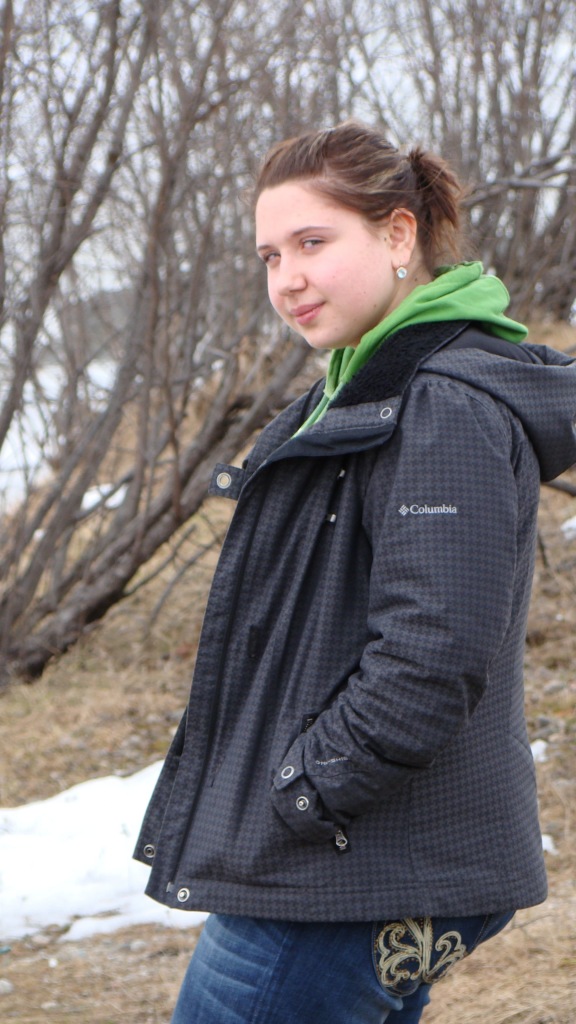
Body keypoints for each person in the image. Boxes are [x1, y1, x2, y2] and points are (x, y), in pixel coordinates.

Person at [134, 121, 576, 1023]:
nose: (286, 279)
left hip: (348, 864)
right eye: (269, 256)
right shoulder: (365, 387)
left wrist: (303, 793)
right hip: (349, 854)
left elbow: (432, 655)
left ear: (398, 234)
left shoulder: (440, 404)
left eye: (312, 242)